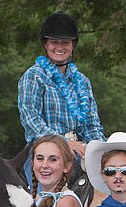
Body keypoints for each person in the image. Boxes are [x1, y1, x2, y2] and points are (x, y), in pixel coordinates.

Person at [18, 11, 105, 185]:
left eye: (65, 42)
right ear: (45, 44)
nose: (59, 47)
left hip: (79, 150)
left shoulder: (83, 82)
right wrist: (64, 143)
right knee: (38, 201)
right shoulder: (34, 76)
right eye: (54, 42)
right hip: (45, 151)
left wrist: (100, 149)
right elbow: (31, 120)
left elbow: (91, 123)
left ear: (73, 45)